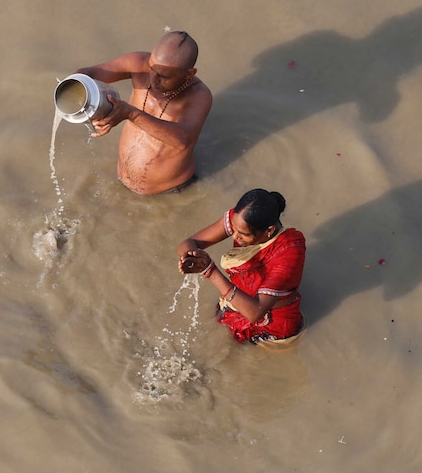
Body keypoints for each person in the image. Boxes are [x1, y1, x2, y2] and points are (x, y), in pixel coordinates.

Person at [75, 31, 212, 195]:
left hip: (168, 195)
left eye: (164, 77)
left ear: (189, 74)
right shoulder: (139, 63)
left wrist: (131, 114)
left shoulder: (199, 95)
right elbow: (86, 75)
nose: (153, 79)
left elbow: (182, 140)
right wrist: (89, 102)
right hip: (121, 182)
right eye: (152, 69)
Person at [177, 189, 306, 344]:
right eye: (233, 228)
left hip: (271, 325)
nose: (234, 235)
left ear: (269, 231)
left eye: (242, 234)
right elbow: (189, 243)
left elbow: (254, 313)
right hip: (235, 301)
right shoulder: (241, 221)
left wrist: (209, 271)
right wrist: (191, 257)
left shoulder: (289, 252)